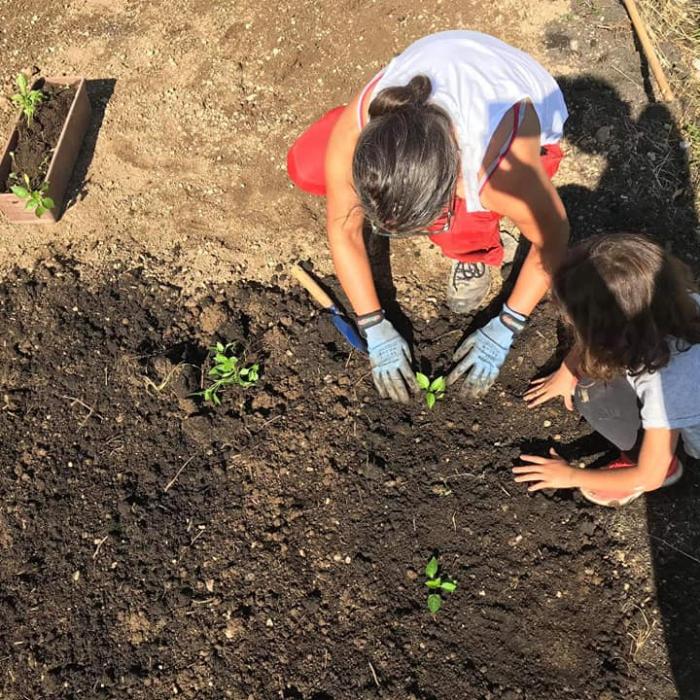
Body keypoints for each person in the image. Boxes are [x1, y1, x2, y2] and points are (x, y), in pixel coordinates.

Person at [287, 31, 570, 402]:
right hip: (447, 78)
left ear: (451, 181)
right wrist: (372, 324)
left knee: (456, 230)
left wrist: (508, 324)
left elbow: (555, 237)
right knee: (306, 167)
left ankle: (474, 252)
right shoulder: (358, 129)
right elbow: (344, 228)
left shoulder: (500, 178)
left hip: (521, 102)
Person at [514, 233, 700, 506]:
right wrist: (568, 369)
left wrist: (571, 476)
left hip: (683, 419)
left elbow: (650, 476)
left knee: (593, 394)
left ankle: (660, 461)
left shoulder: (665, 382)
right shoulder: (680, 300)